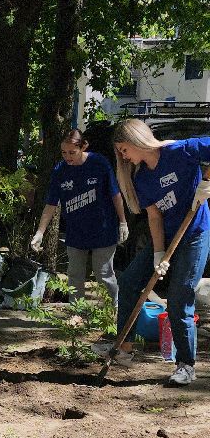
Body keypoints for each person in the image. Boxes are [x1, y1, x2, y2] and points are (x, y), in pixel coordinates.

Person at [112, 118, 210, 386]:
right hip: (166, 236)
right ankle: (125, 349)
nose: (123, 155)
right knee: (130, 281)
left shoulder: (182, 151)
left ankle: (186, 365)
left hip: (195, 234)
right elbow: (154, 217)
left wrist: (207, 185)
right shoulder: (143, 178)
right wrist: (158, 254)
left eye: (123, 148)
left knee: (179, 297)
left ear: (136, 140)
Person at [31, 129, 128, 306]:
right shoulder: (60, 171)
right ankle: (77, 311)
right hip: (76, 232)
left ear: (83, 147)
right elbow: (51, 204)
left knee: (104, 273)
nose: (67, 157)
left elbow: (115, 194)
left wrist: (123, 222)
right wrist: (40, 232)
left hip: (103, 229)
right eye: (63, 152)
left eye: (72, 152)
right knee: (74, 274)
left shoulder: (99, 163)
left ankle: (113, 311)